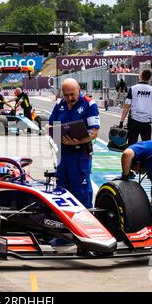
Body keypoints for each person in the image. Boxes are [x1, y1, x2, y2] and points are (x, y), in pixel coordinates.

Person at [48, 78, 100, 208]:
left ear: (79, 90)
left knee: (81, 192)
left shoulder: (89, 105)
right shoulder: (60, 104)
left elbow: (94, 133)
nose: (70, 98)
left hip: (80, 155)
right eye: (66, 95)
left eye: (72, 94)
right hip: (63, 154)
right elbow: (50, 126)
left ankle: (86, 220)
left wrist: (77, 141)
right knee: (61, 190)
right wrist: (56, 136)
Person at [119, 69, 152, 146]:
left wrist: (121, 121)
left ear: (140, 76)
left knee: (132, 146)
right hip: (146, 123)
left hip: (134, 122)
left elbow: (126, 107)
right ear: (150, 78)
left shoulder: (133, 88)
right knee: (147, 147)